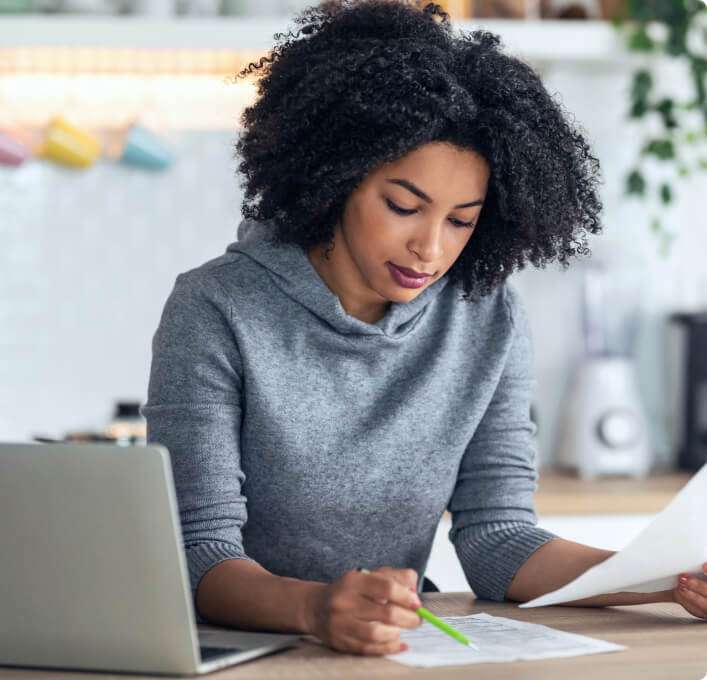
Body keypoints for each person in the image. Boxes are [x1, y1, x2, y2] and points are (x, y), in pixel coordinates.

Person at [141, 0, 707, 659]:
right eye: (403, 206)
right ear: (334, 179)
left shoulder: (486, 315)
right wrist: (316, 608)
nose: (429, 249)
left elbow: (499, 539)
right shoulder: (216, 307)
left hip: (391, 650)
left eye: (460, 221)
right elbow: (200, 556)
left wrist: (664, 581)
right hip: (244, 654)